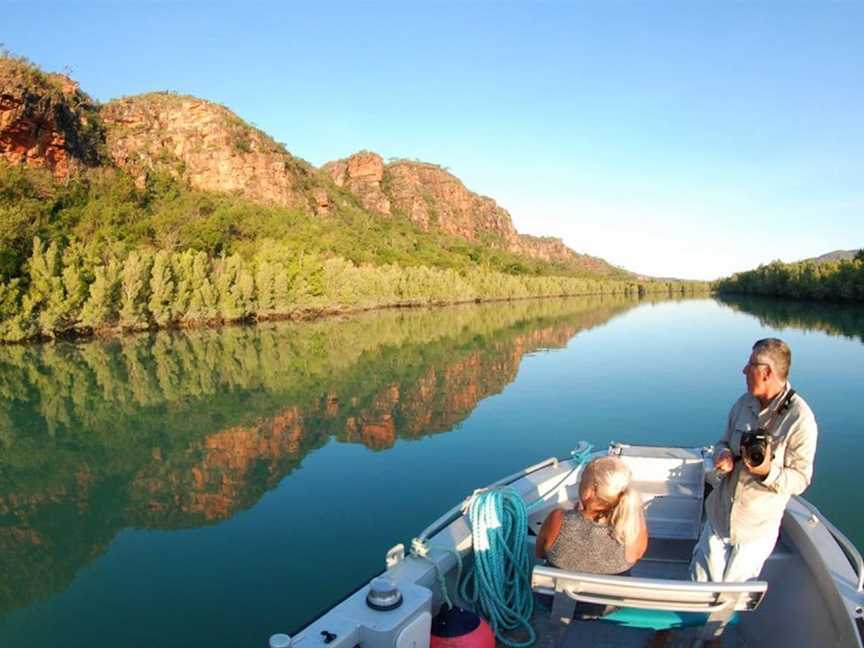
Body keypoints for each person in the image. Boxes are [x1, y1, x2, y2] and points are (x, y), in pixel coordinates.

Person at [690, 337, 818, 583]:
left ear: (766, 372)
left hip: (755, 529)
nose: (744, 370)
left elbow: (801, 479)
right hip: (718, 518)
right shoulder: (743, 403)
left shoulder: (800, 420)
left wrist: (768, 471)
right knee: (699, 583)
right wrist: (723, 455)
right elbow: (722, 443)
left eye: (750, 364)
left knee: (732, 599)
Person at [536, 455, 648, 574]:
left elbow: (540, 553)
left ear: (588, 492)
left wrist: (573, 518)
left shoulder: (557, 519)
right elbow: (637, 556)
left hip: (557, 591)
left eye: (582, 480)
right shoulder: (634, 528)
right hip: (611, 592)